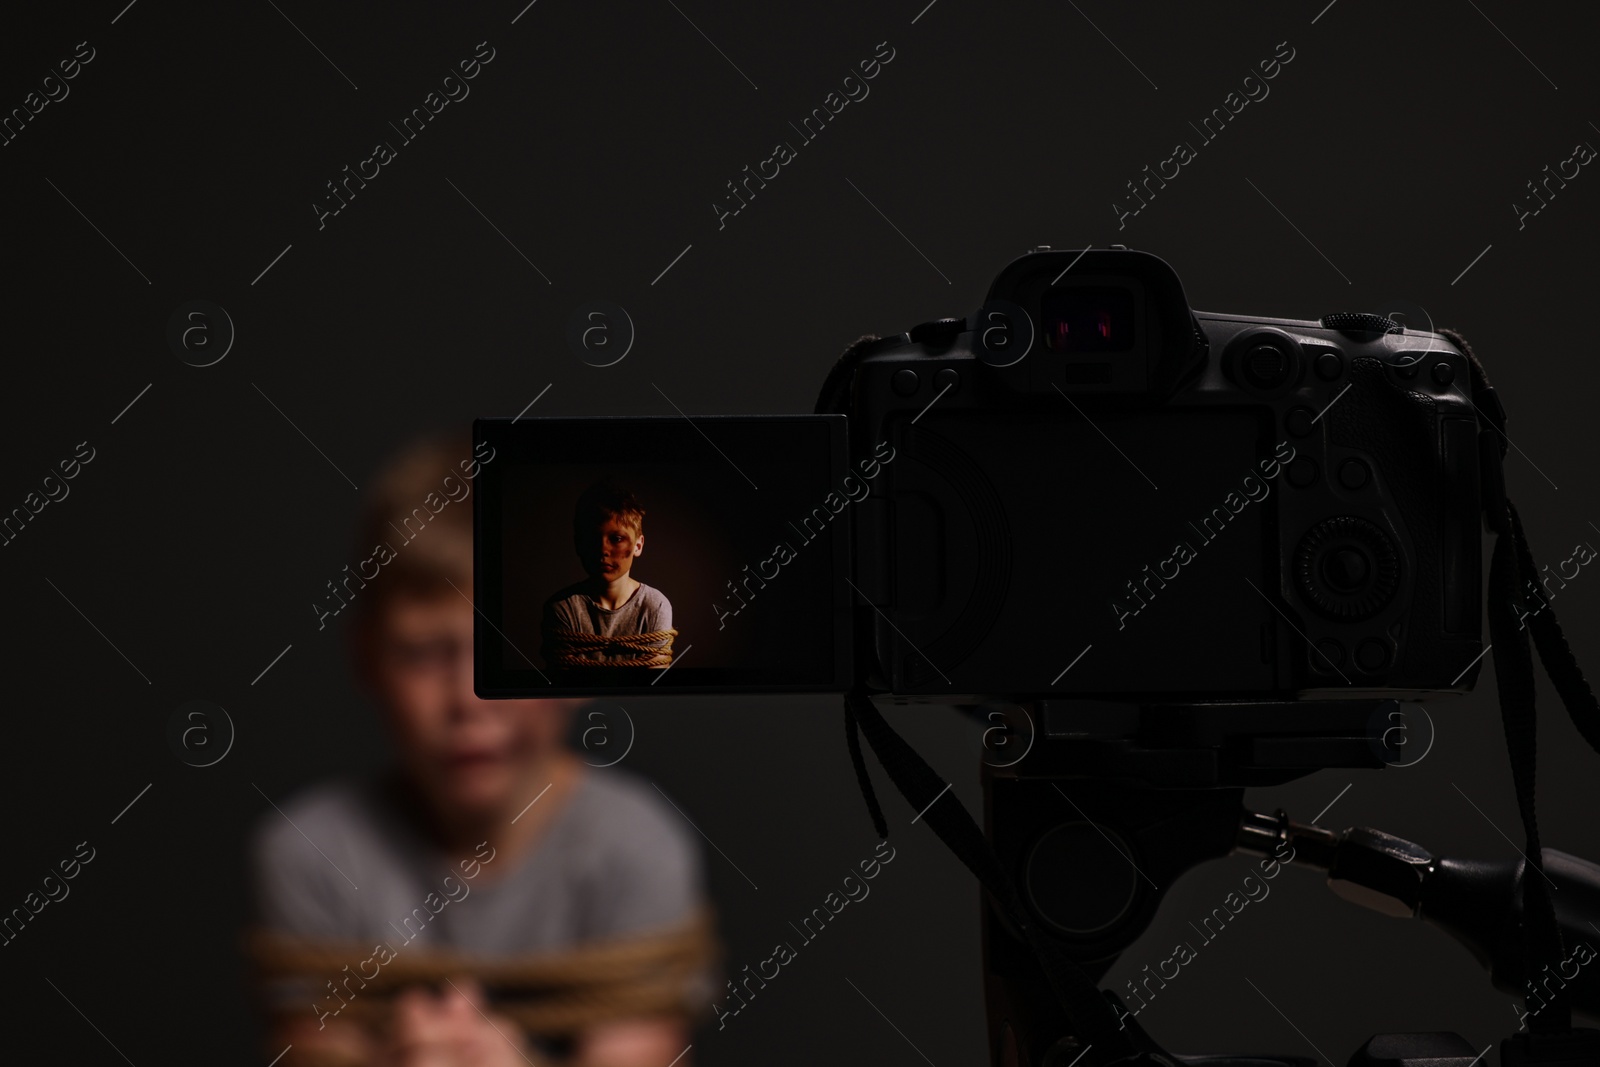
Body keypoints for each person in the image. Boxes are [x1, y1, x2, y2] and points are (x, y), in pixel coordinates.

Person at [247, 436, 717, 1067]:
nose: (469, 699)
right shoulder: (310, 854)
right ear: (366, 662)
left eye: (510, 653)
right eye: (423, 653)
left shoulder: (639, 847)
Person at [541, 482, 676, 670]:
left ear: (638, 545)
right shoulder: (563, 609)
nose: (603, 549)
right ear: (579, 544)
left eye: (617, 539)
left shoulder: (655, 606)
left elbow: (652, 691)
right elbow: (566, 692)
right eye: (593, 538)